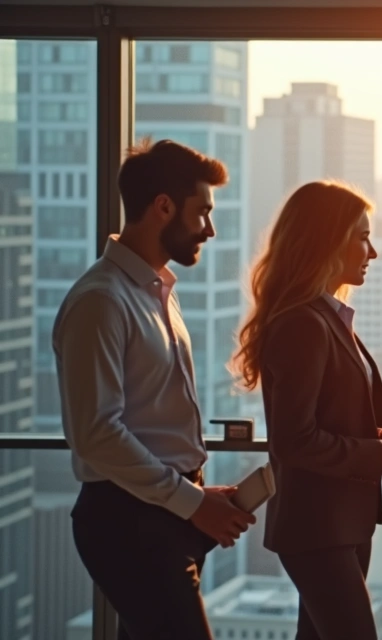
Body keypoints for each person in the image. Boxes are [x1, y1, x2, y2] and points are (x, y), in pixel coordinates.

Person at [54, 139, 254, 639]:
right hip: (127, 523)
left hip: (164, 512)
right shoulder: (101, 301)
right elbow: (97, 434)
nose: (211, 228)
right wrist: (191, 501)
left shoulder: (156, 293)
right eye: (202, 212)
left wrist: (197, 494)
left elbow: (152, 420)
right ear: (163, 206)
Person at [230, 181, 382, 640]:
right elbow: (293, 440)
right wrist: (381, 456)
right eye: (361, 237)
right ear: (326, 240)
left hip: (342, 522)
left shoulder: (325, 318)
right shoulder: (303, 324)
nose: (373, 252)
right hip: (318, 528)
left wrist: (380, 441)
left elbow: (328, 419)